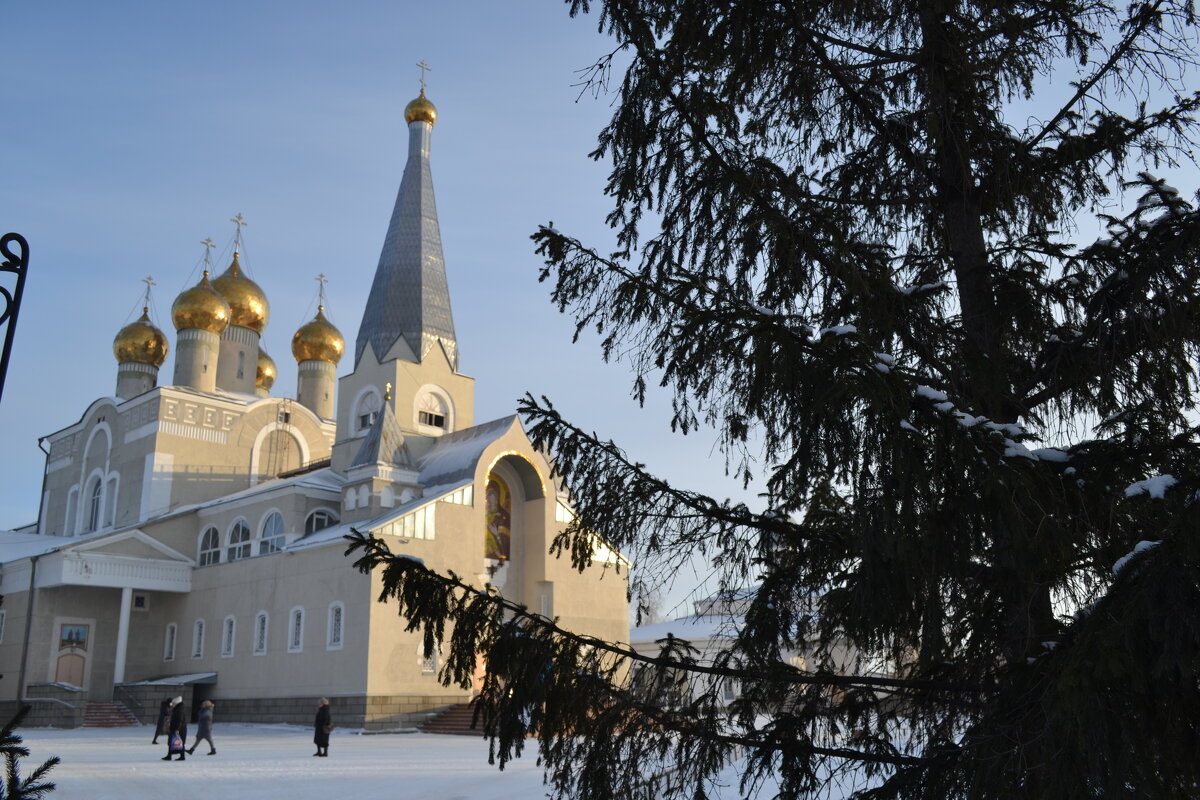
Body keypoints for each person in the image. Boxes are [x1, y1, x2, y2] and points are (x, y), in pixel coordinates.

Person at [161, 696, 187, 761]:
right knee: (171, 742)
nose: (172, 704)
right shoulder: (177, 708)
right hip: (175, 728)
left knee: (180, 743)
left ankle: (182, 756)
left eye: (173, 703)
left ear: (177, 703)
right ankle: (169, 755)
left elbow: (180, 720)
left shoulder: (180, 709)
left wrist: (177, 729)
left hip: (180, 729)